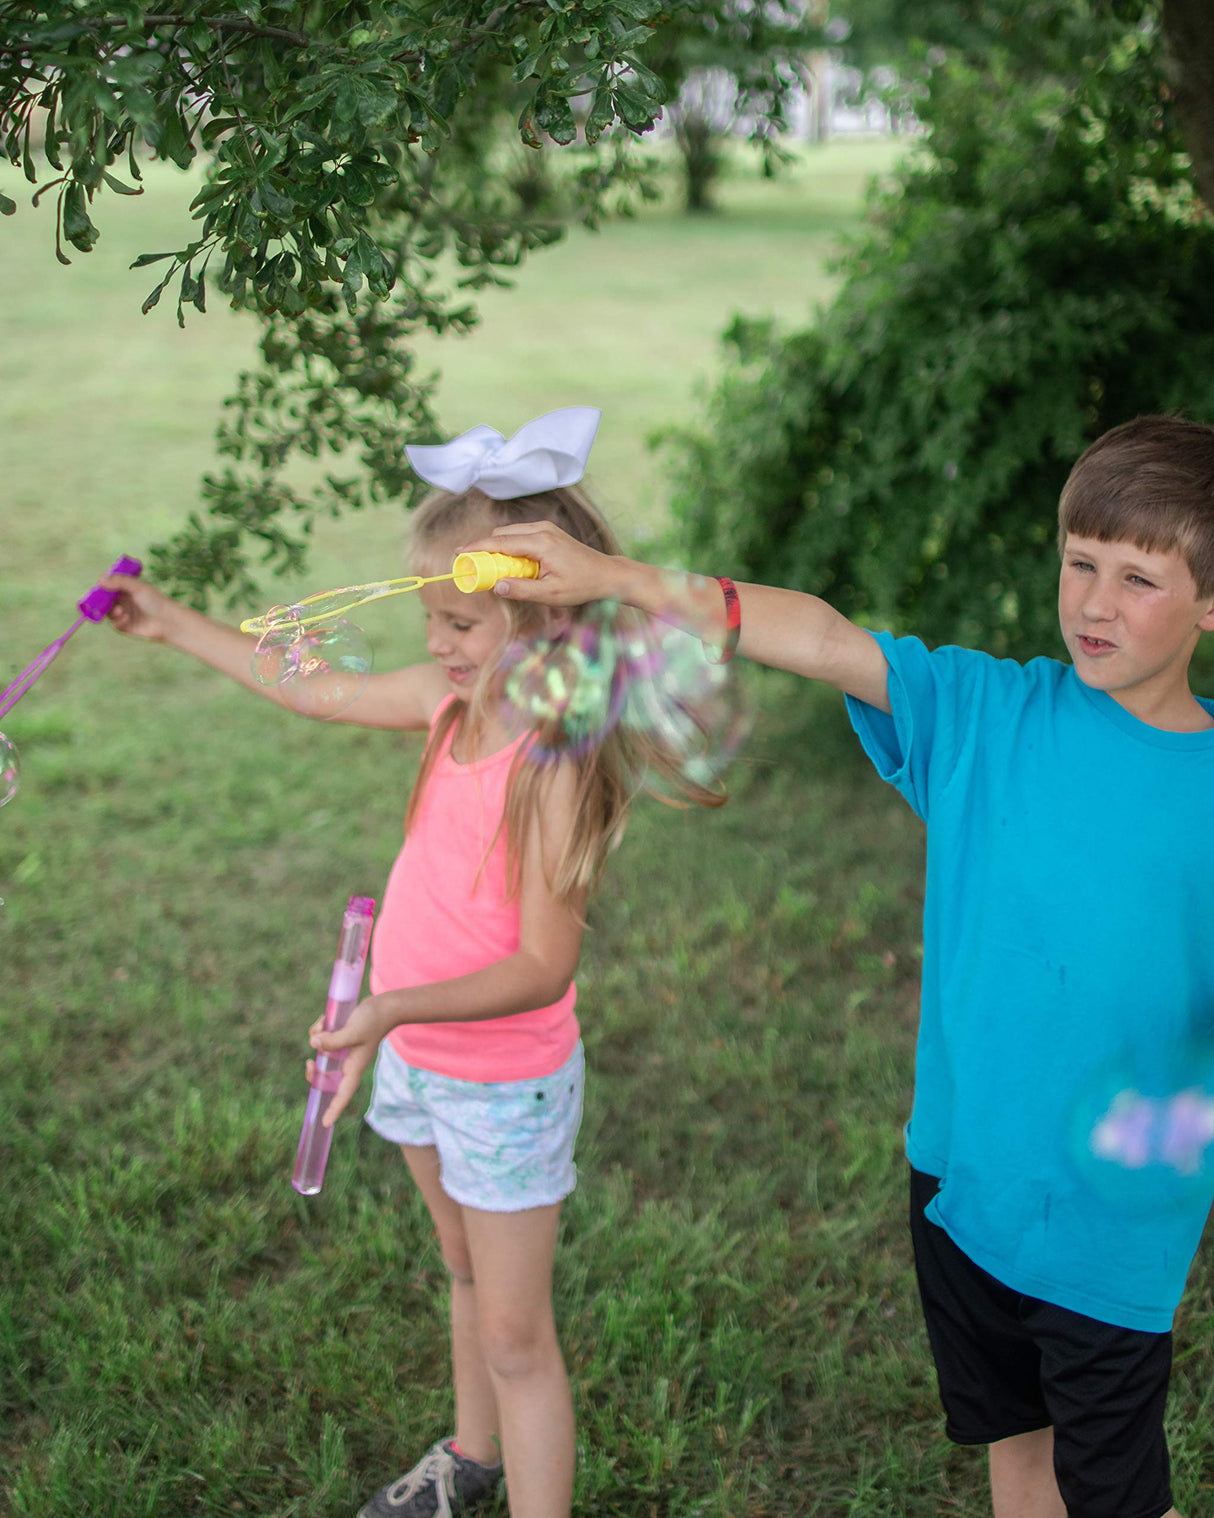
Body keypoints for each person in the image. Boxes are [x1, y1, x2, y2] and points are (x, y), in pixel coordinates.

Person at [464, 413, 1214, 1518]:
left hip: (1114, 1211)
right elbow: (816, 637)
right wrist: (610, 576)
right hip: (963, 1182)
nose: (1092, 604)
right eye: (1077, 563)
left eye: (1137, 579)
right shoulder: (986, 713)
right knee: (1014, 1446)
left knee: (1108, 1489)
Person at [103, 407, 722, 1518]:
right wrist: (173, 625)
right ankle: (468, 1460)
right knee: (464, 1274)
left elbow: (540, 965)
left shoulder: (552, 763)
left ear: (543, 622)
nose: (438, 641)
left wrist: (386, 1006)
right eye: (430, 616)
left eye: (463, 623)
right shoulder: (451, 708)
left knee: (517, 1335)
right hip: (422, 1058)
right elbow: (311, 685)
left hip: (503, 1082)